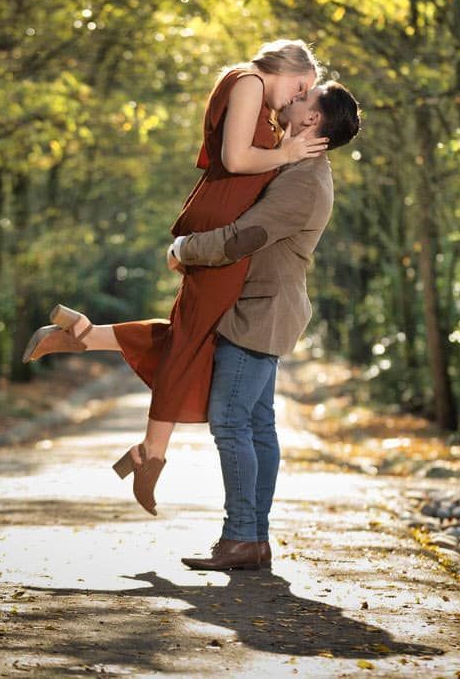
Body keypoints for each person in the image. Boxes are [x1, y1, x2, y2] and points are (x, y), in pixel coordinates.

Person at [21, 40, 328, 514]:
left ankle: (81, 336)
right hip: (224, 225)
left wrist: (285, 150)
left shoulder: (255, 95)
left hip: (226, 222)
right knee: (192, 337)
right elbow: (236, 159)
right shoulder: (248, 80)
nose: (296, 97)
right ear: (282, 68)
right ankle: (151, 454)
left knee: (191, 334)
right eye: (300, 86)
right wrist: (286, 154)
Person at [175, 80, 361, 570]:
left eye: (302, 99)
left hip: (260, 311)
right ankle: (253, 540)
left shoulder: (304, 180)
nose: (290, 102)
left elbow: (243, 238)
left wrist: (183, 249)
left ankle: (240, 537)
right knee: (257, 424)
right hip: (269, 306)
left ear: (313, 119)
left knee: (231, 421)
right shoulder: (299, 166)